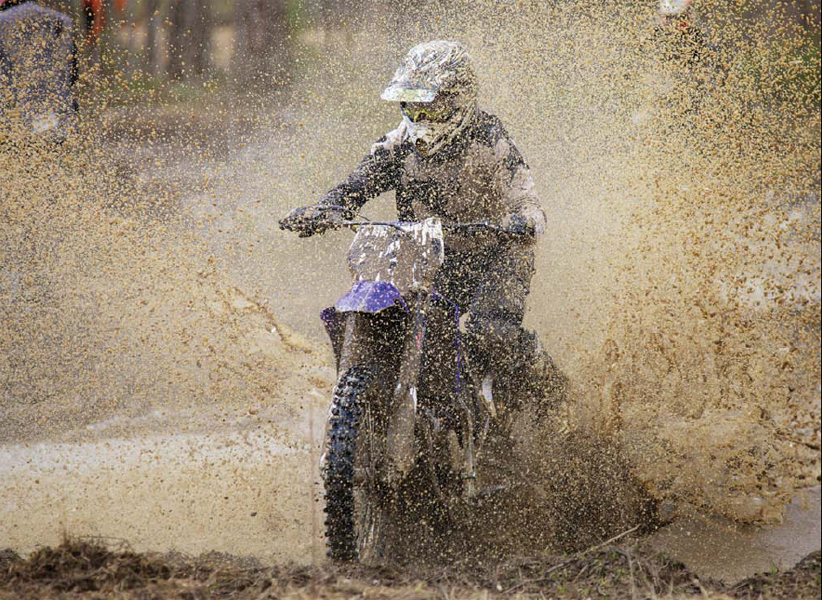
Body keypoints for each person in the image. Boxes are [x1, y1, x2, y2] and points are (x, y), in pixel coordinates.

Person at [280, 40, 562, 412]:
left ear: (460, 99)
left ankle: (547, 387)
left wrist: (518, 222)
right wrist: (327, 208)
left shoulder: (490, 138)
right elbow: (357, 185)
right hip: (428, 253)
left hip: (495, 252)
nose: (422, 116)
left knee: (489, 332)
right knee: (395, 312)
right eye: (413, 105)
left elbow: (527, 202)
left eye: (432, 105)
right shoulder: (399, 143)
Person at [0, 0, 78, 143]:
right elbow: (73, 69)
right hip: (55, 110)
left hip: (15, 117)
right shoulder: (60, 20)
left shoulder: (2, 21)